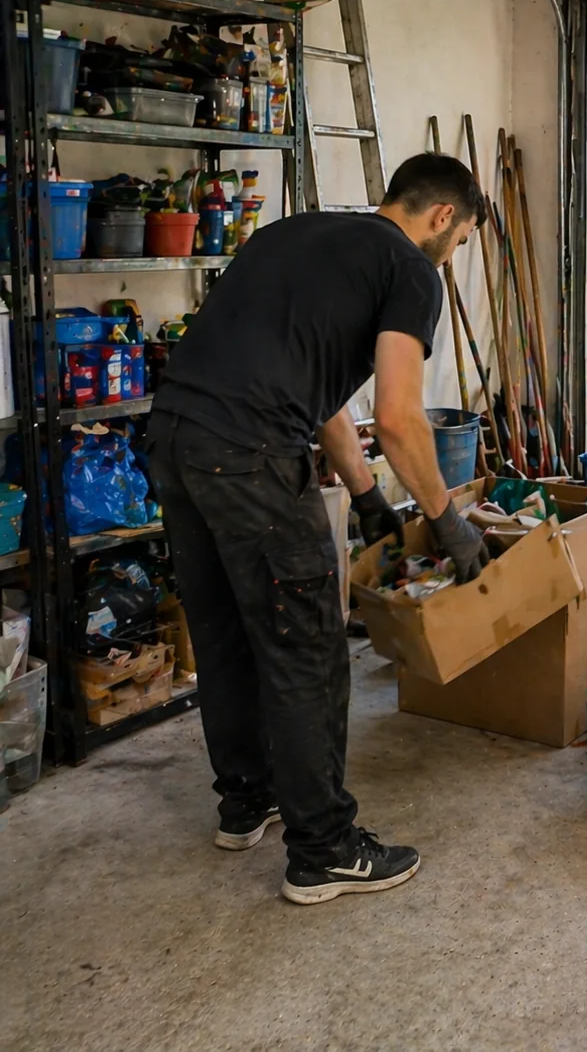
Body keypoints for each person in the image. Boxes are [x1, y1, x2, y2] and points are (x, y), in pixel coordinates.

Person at [146, 153, 490, 905]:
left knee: (228, 632)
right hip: (249, 456)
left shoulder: (295, 235)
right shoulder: (410, 271)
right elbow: (400, 417)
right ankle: (324, 848)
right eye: (460, 239)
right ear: (442, 218)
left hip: (175, 439)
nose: (453, 253)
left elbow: (317, 391)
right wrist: (446, 519)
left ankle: (246, 801)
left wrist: (367, 496)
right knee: (307, 646)